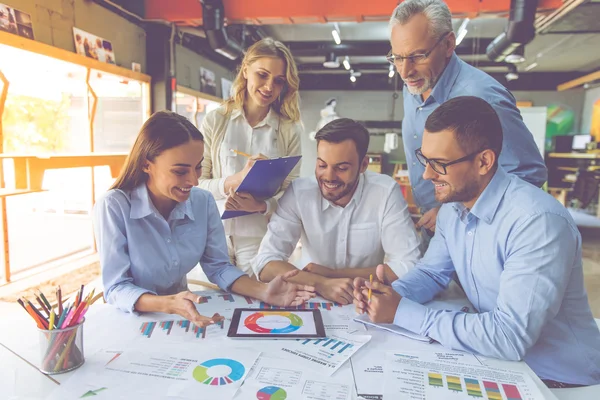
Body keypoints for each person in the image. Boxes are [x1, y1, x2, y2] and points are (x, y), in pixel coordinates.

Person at [353, 96, 600, 387]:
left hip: (558, 379)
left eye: (439, 163)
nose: (427, 174)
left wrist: (402, 311)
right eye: (425, 158)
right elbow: (432, 273)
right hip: (496, 363)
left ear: (484, 161)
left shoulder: (537, 222)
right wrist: (387, 294)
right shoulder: (452, 211)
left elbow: (509, 337)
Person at [93, 111, 314, 327]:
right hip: (131, 321)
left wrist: (264, 291)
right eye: (180, 171)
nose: (194, 180)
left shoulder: (202, 201)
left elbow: (218, 267)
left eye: (197, 168)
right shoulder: (114, 206)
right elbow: (116, 287)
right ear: (146, 164)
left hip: (183, 317)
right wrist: (167, 303)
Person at [388, 0, 547, 234]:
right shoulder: (414, 84)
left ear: (449, 43)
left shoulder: (483, 97)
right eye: (397, 57)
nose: (404, 71)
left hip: (474, 228)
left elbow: (528, 174)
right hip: (431, 224)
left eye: (417, 56)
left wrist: (452, 210)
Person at [252, 118, 422, 305]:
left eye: (341, 168)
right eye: (322, 165)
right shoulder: (299, 193)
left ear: (363, 165)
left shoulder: (385, 192)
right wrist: (321, 283)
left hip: (367, 301)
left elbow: (409, 266)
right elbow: (265, 263)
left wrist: (333, 275)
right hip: (310, 297)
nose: (329, 177)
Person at [198, 37, 302, 277]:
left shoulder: (289, 129)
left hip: (260, 235)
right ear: (245, 70)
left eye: (278, 81)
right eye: (262, 75)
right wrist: (235, 179)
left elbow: (293, 194)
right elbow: (196, 185)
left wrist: (262, 205)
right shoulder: (216, 120)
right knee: (213, 303)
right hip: (214, 233)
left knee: (256, 301)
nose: (268, 87)